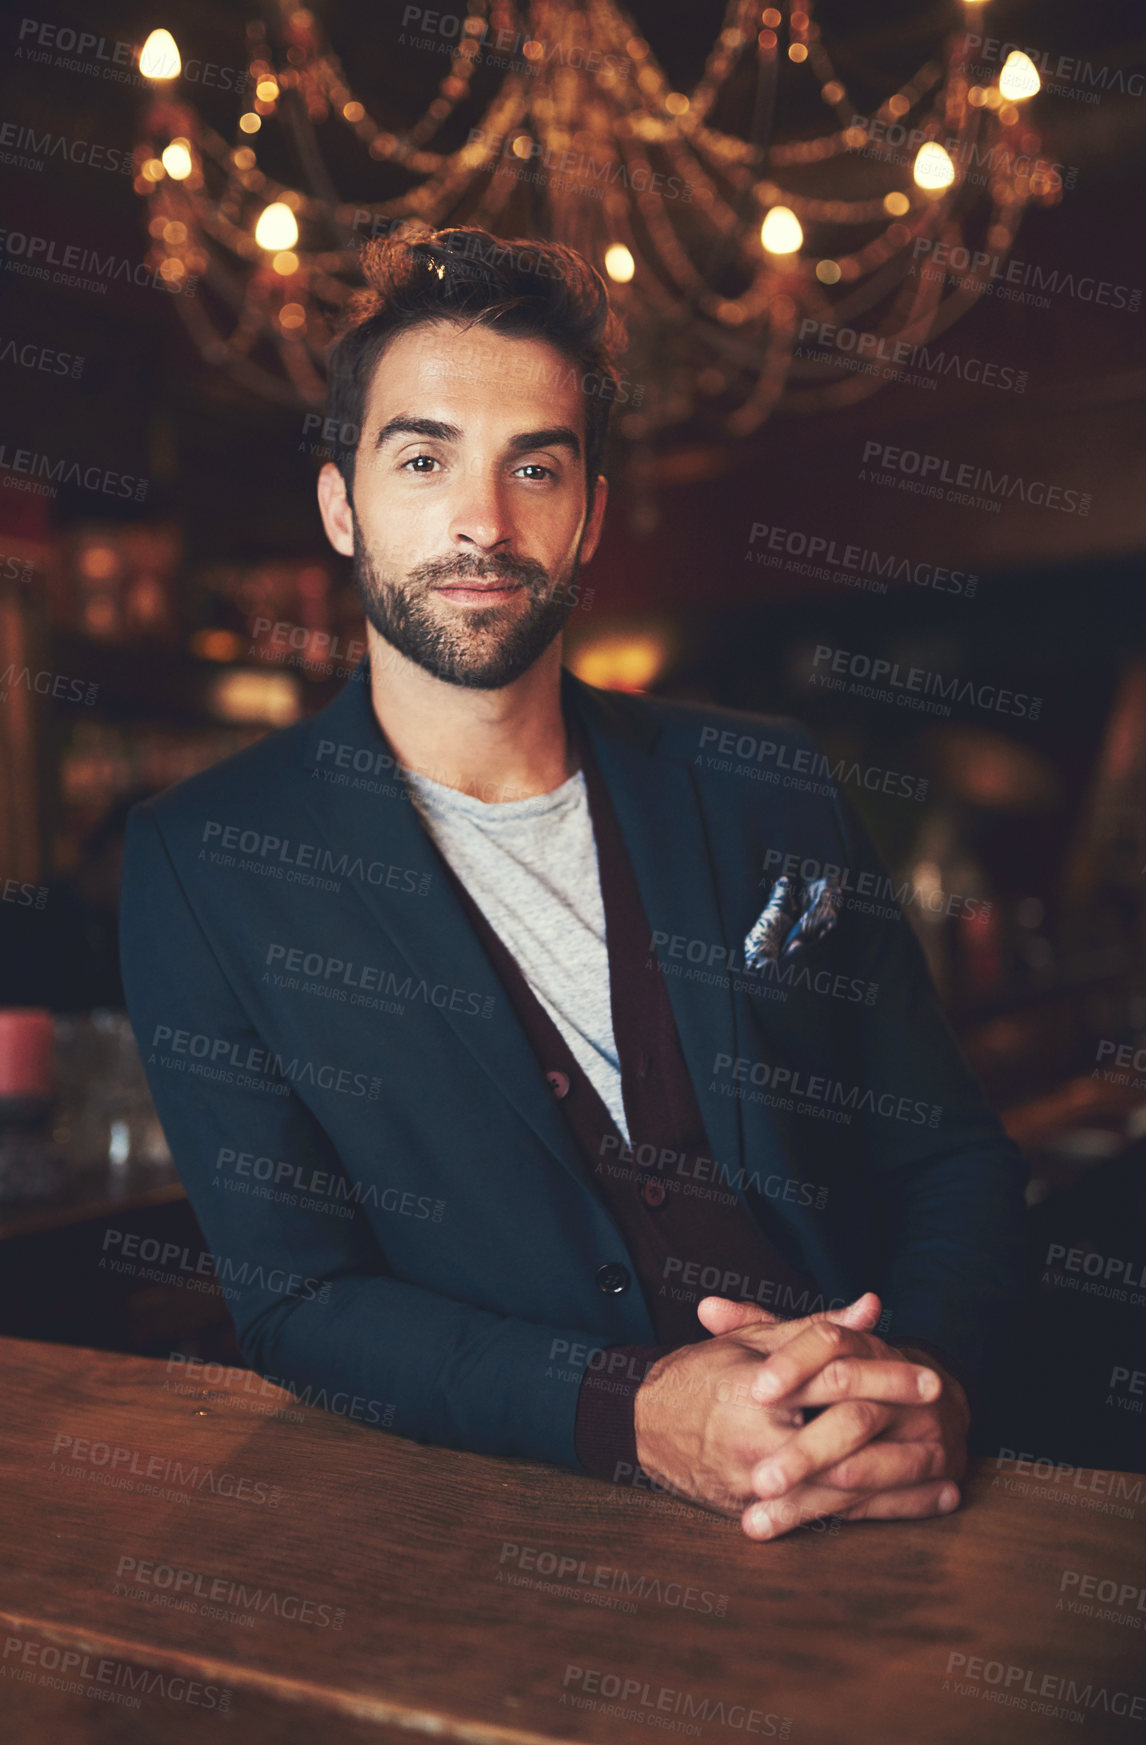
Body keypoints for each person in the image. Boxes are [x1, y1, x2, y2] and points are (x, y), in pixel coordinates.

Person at [120, 225, 1027, 1541]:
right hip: (521, 1535)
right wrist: (631, 1408)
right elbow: (297, 1301)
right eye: (423, 459)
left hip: (884, 1490)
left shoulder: (761, 779)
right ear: (340, 503)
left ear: (589, 511)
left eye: (532, 466)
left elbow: (952, 1160)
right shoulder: (205, 860)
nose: (482, 522)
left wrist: (929, 1380)